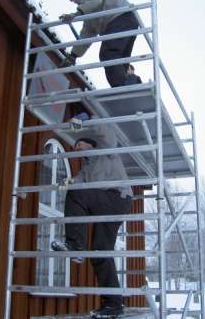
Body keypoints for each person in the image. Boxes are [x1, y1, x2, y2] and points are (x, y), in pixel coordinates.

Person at [51, 112, 133, 319]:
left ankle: (75, 246)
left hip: (117, 198)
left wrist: (89, 118)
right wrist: (67, 182)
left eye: (80, 146)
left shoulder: (106, 151)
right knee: (100, 252)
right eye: (76, 148)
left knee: (77, 194)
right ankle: (114, 304)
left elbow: (107, 134)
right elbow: (77, 182)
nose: (78, 150)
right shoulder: (87, 169)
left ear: (90, 144)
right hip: (106, 205)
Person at [59, 0, 139, 88]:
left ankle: (121, 88)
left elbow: (95, 0)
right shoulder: (90, 13)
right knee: (119, 60)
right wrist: (73, 56)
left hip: (120, 18)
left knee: (108, 53)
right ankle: (131, 85)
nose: (73, 1)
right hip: (126, 22)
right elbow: (87, 34)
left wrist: (77, 14)